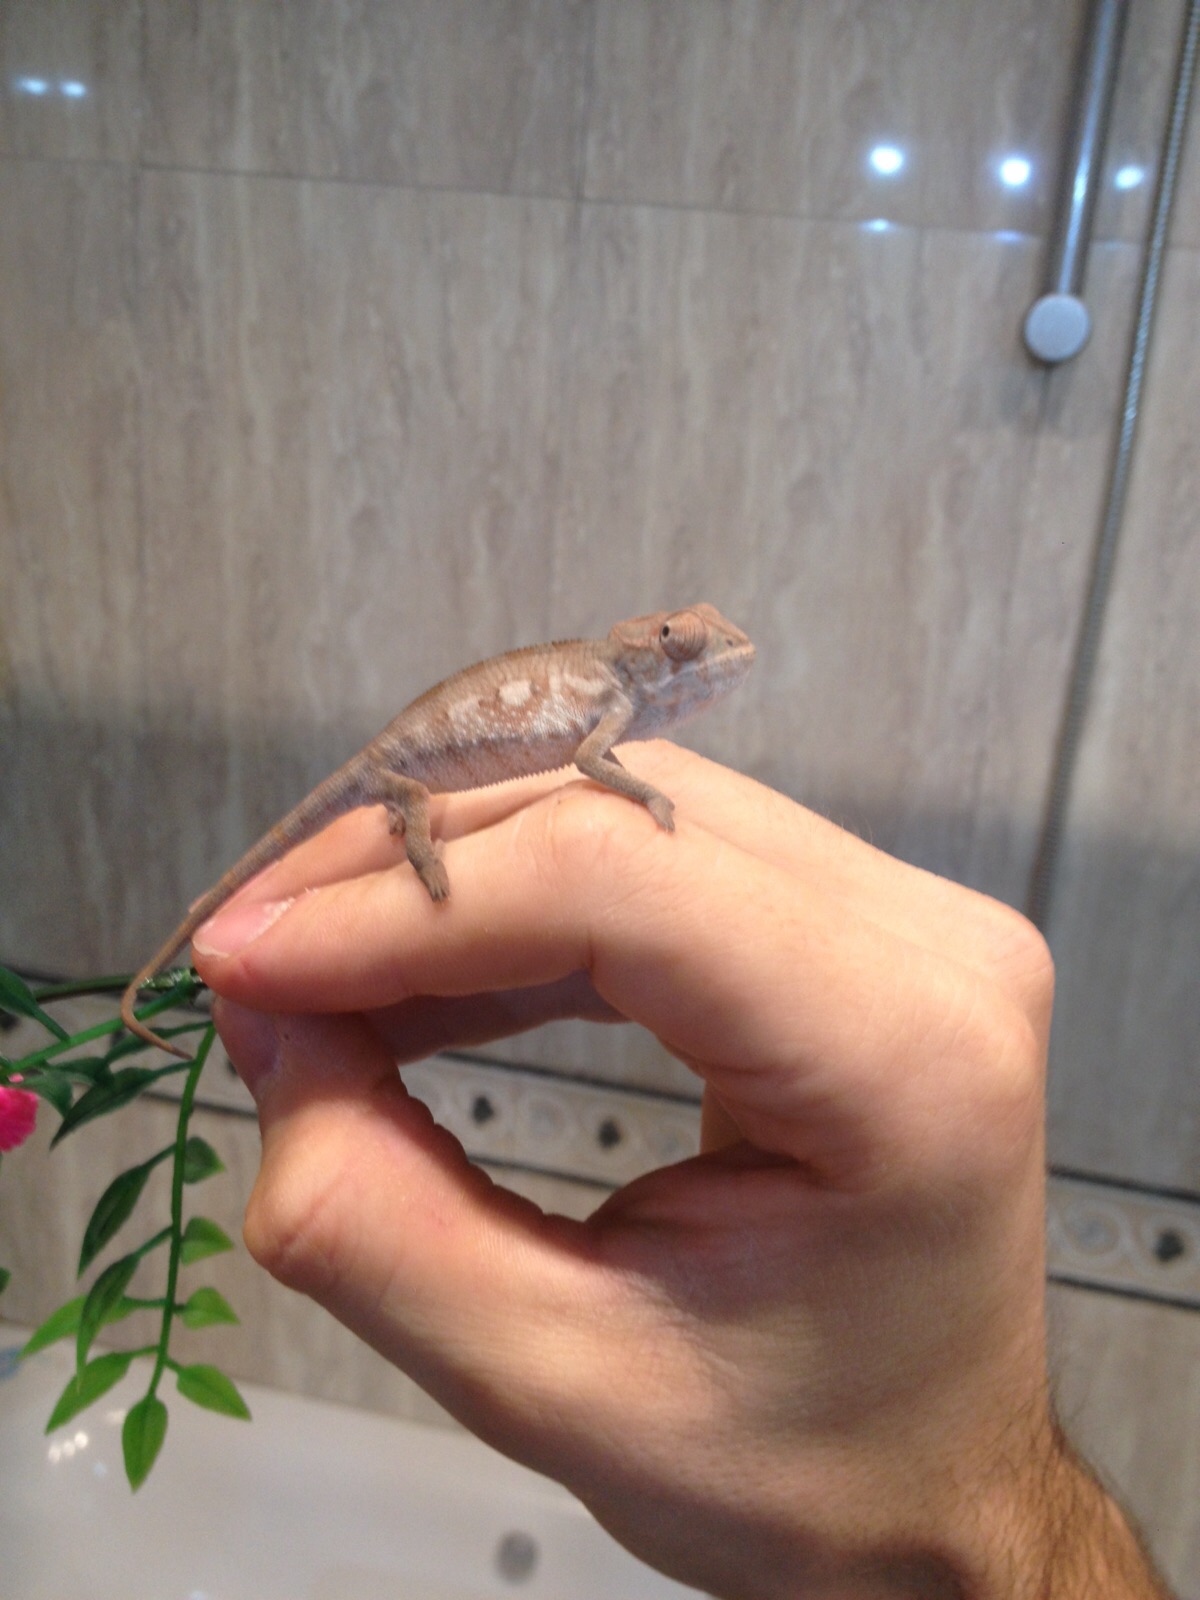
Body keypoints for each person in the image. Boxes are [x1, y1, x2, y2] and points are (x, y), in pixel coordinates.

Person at [196, 742, 1170, 1599]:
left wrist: (968, 1535)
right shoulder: (599, 704)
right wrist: (977, 1542)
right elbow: (594, 764)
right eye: (678, 644)